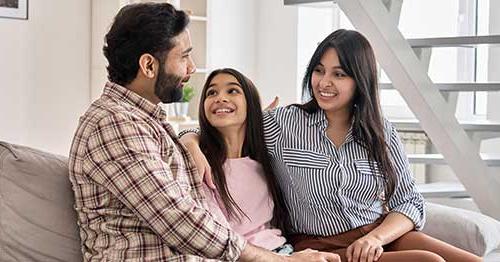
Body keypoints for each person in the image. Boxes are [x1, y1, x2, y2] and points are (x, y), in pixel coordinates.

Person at [67, 3, 339, 262]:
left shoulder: (145, 122)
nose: (192, 67)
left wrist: (193, 138)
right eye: (184, 56)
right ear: (149, 66)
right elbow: (176, 217)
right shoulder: (114, 123)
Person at [180, 29, 482, 262]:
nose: (324, 82)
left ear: (360, 80)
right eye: (319, 70)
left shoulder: (381, 132)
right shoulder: (284, 123)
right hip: (320, 244)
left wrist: (375, 238)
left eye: (339, 74)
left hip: (376, 235)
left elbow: (409, 202)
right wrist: (191, 143)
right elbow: (221, 123)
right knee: (429, 261)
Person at [196, 68, 294, 255]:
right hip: (238, 255)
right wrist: (190, 143)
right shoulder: (201, 164)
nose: (220, 98)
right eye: (212, 92)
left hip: (281, 250)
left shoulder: (267, 158)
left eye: (232, 90)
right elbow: (214, 234)